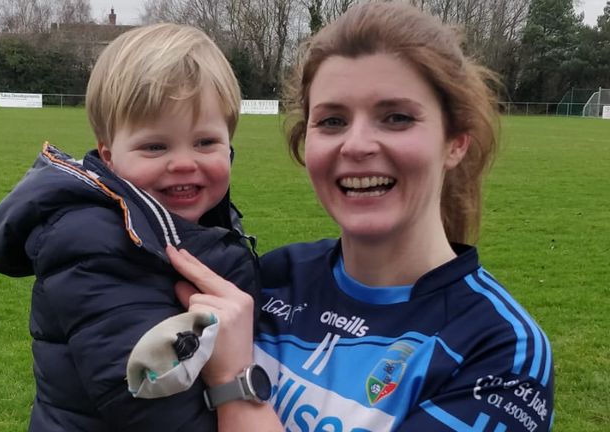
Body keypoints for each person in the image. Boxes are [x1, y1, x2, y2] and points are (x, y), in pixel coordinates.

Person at [167, 2, 554, 431]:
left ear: (455, 142)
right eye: (332, 120)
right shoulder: (273, 276)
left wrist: (233, 382)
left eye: (397, 118)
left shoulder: (500, 348)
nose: (356, 145)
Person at [0, 23, 259, 431]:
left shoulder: (182, 226)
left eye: (205, 143)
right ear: (109, 157)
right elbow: (149, 399)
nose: (184, 162)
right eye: (155, 146)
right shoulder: (95, 242)